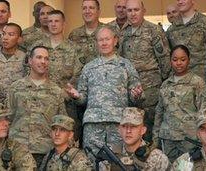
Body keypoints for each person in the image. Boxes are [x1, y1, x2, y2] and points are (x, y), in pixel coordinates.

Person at [65, 27, 143, 158]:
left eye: (107, 39)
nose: (104, 43)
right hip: (93, 124)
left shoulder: (126, 65)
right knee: (91, 161)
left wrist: (136, 95)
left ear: (115, 40)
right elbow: (83, 99)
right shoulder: (89, 67)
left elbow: (136, 95)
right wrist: (77, 96)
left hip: (118, 124)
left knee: (118, 162)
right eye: (100, 40)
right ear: (96, 43)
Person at [119, 0, 171, 142]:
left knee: (151, 129)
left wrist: (162, 84)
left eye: (136, 10)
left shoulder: (154, 30)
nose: (133, 13)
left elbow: (165, 61)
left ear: (143, 11)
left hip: (151, 91)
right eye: (129, 10)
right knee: (132, 131)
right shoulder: (123, 32)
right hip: (131, 90)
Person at [8, 46, 68, 167]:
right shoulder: (15, 88)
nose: (43, 61)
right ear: (30, 61)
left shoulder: (56, 91)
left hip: (45, 151)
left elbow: (62, 124)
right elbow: (8, 118)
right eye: (39, 57)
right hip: (18, 150)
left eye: (46, 59)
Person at [31, 10, 83, 143]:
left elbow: (79, 75)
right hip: (41, 102)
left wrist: (65, 92)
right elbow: (29, 71)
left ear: (64, 24)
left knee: (67, 141)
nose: (53, 24)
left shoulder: (74, 48)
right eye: (50, 21)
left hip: (66, 104)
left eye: (57, 21)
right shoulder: (37, 46)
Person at [153, 45, 206, 162]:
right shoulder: (165, 84)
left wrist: (203, 136)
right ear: (170, 61)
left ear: (189, 60)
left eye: (183, 59)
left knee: (189, 167)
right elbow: (159, 113)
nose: (179, 63)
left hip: (189, 139)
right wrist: (155, 139)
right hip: (168, 139)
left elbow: (204, 111)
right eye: (175, 60)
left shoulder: (197, 82)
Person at [101, 107, 171, 170]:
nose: (128, 131)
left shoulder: (157, 158)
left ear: (143, 130)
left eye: (133, 126)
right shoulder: (109, 155)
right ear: (119, 130)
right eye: (124, 126)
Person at [167, 0, 206, 81]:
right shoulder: (172, 29)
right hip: (180, 84)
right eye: (178, 0)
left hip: (202, 81)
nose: (180, 2)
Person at [68, 0, 105, 66]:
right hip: (80, 75)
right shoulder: (74, 34)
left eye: (91, 8)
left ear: (98, 12)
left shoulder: (109, 32)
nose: (87, 11)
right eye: (84, 8)